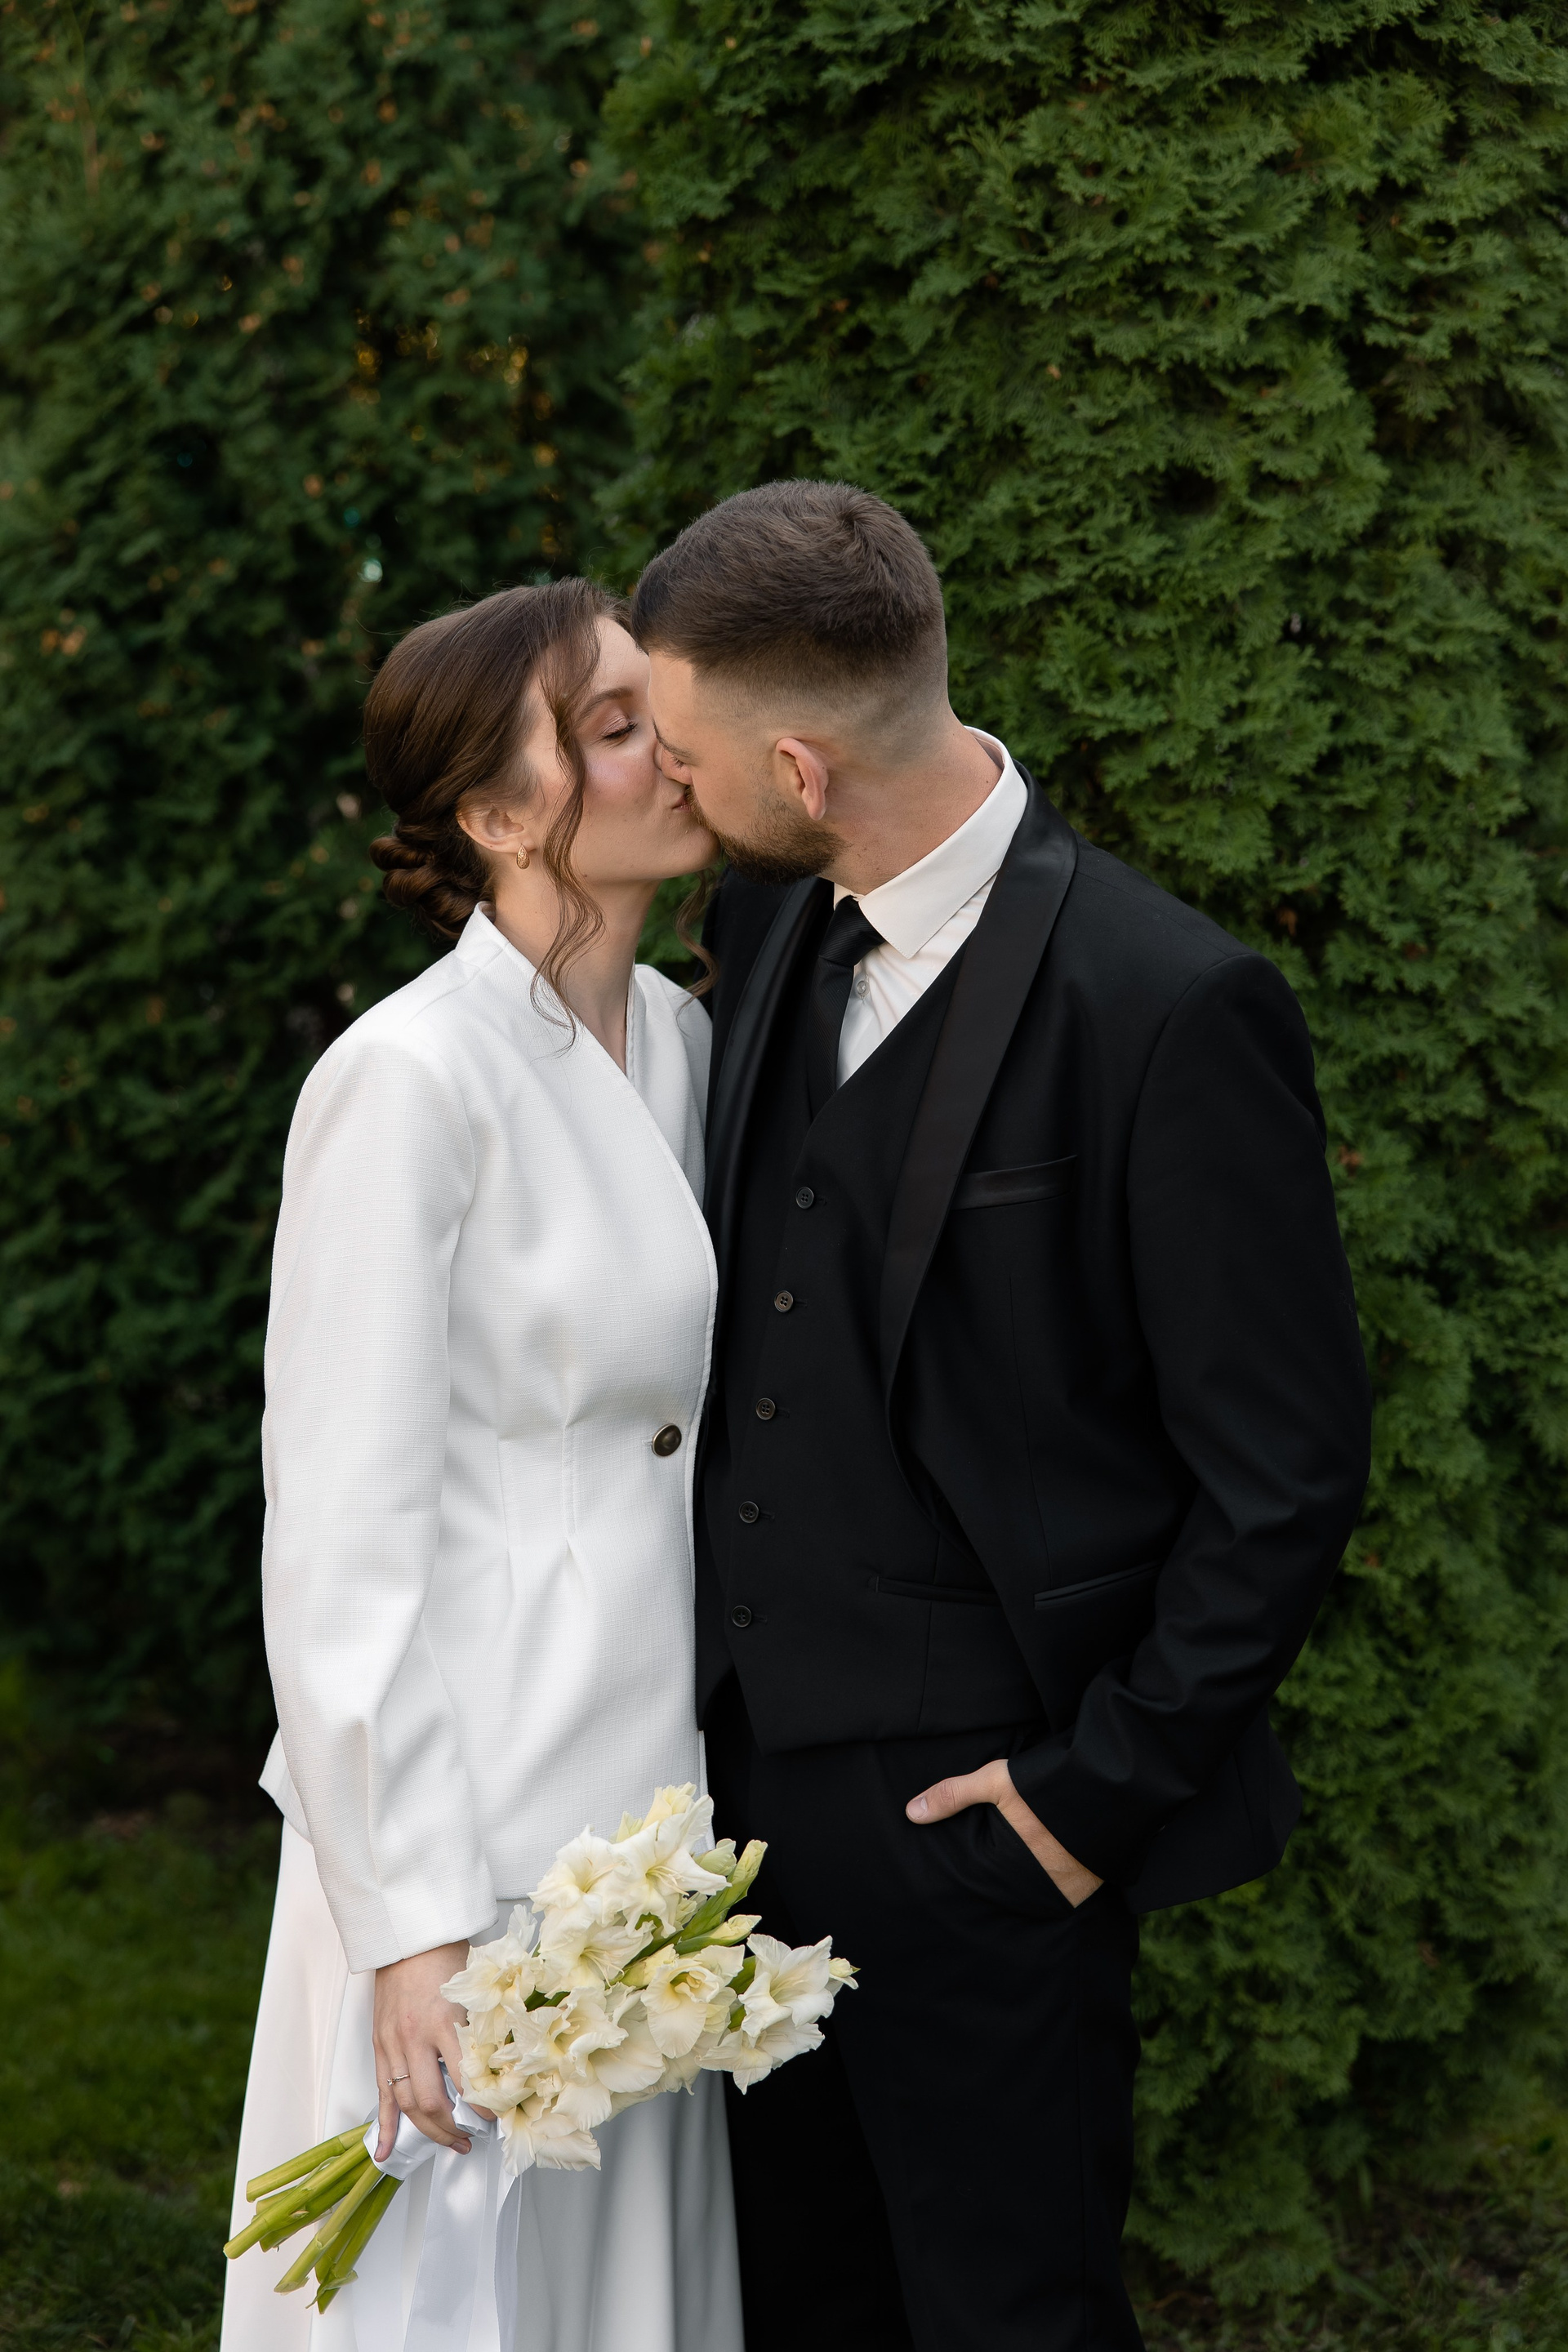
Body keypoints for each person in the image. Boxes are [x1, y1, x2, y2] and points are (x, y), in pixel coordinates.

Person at [633, 481, 1374, 2352]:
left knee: (1008, 2317)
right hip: (730, 1811)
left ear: (800, 767)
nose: (666, 778)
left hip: (985, 1820)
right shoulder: (769, 923)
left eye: (686, 750)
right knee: (794, 2307)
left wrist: (1082, 1802)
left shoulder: (1170, 1003)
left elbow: (1285, 1478)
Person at [221, 581, 742, 2352]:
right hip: (471, 1833)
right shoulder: (408, 1081)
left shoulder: (685, 1043)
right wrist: (411, 1928)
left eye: (655, 707)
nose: (668, 749)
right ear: (500, 816)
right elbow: (338, 1545)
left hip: (653, 1815)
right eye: (610, 727)